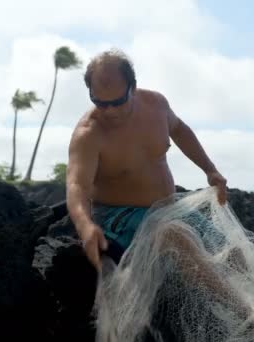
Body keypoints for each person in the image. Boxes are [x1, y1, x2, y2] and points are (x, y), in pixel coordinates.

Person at [66, 48, 228, 273]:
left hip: (169, 208)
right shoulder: (89, 134)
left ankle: (251, 298)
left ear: (132, 86)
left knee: (228, 248)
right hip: (119, 216)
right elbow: (77, 185)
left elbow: (180, 130)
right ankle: (245, 308)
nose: (109, 111)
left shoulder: (156, 105)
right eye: (100, 102)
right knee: (175, 235)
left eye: (118, 101)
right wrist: (85, 225)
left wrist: (210, 170)